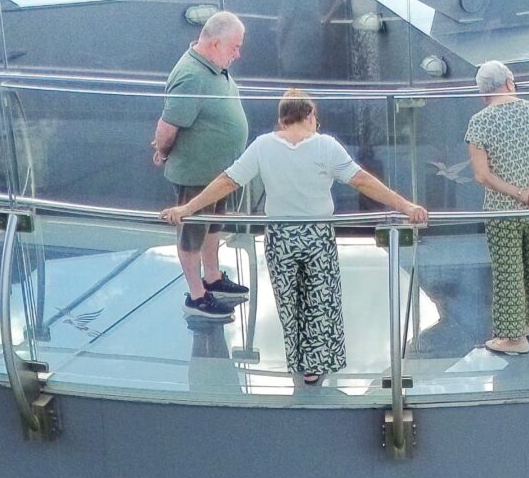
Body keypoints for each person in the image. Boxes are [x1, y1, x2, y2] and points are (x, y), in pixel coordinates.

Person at [163, 90, 428, 385]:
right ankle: (315, 366)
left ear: (281, 119)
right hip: (317, 235)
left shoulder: (264, 146)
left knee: (290, 301)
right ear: (310, 115)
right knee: (319, 300)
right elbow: (362, 180)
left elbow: (228, 180)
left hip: (281, 236)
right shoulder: (326, 146)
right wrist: (405, 205)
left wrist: (188, 207)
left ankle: (300, 363)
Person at [150, 10, 253, 325]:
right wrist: (162, 151)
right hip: (196, 173)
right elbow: (168, 126)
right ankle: (196, 295)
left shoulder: (214, 66)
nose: (238, 54)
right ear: (214, 43)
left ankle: (212, 276)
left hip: (219, 173)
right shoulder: (191, 74)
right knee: (192, 233)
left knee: (213, 225)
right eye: (234, 47)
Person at [464, 61, 529, 355]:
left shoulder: (480, 121)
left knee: (508, 271)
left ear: (482, 92)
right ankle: (528, 324)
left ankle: (513, 338)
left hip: (503, 208)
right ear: (510, 82)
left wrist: (520, 194)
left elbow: (482, 175)